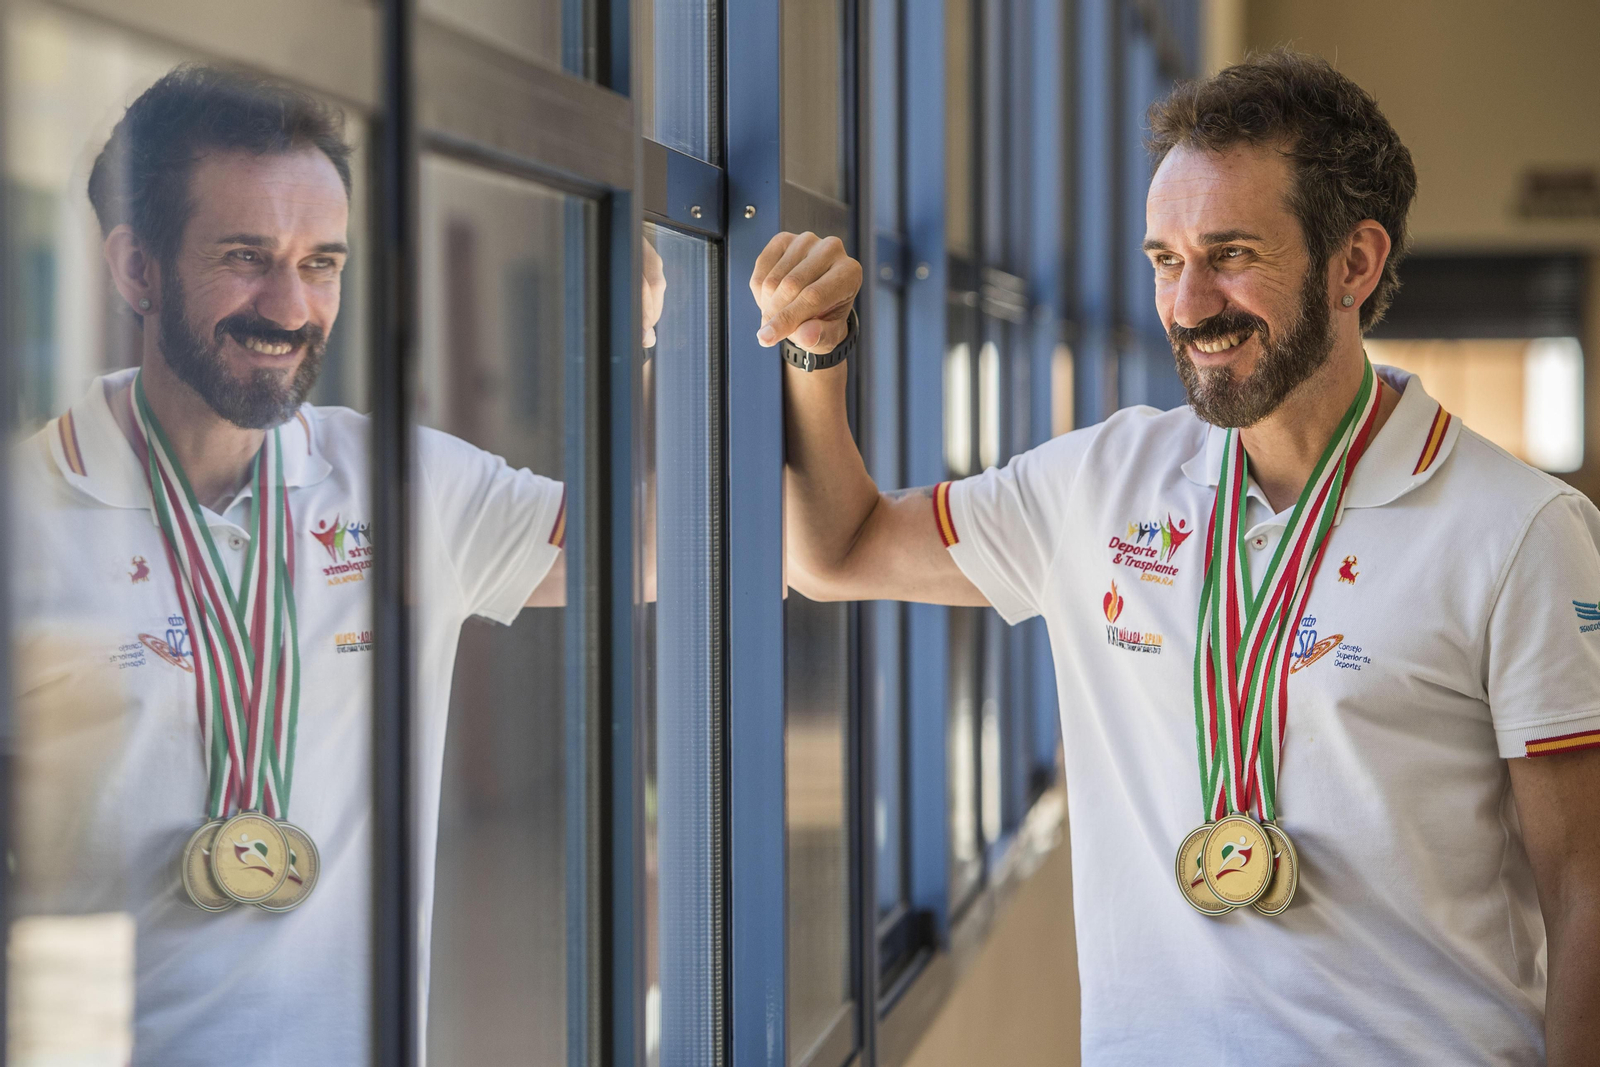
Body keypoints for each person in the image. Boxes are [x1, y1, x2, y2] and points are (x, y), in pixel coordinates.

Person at [756, 50, 1600, 1065]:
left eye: (1231, 253)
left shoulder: (1519, 532)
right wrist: (815, 352)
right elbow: (838, 550)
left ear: (1354, 264)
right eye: (1165, 259)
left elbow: (1585, 886)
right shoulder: (1098, 483)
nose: (1189, 304)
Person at [9, 65, 661, 1064]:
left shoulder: (403, 483)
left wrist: (652, 344)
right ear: (137, 267)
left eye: (321, 262)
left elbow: (662, 550)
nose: (291, 306)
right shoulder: (23, 515)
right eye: (246, 256)